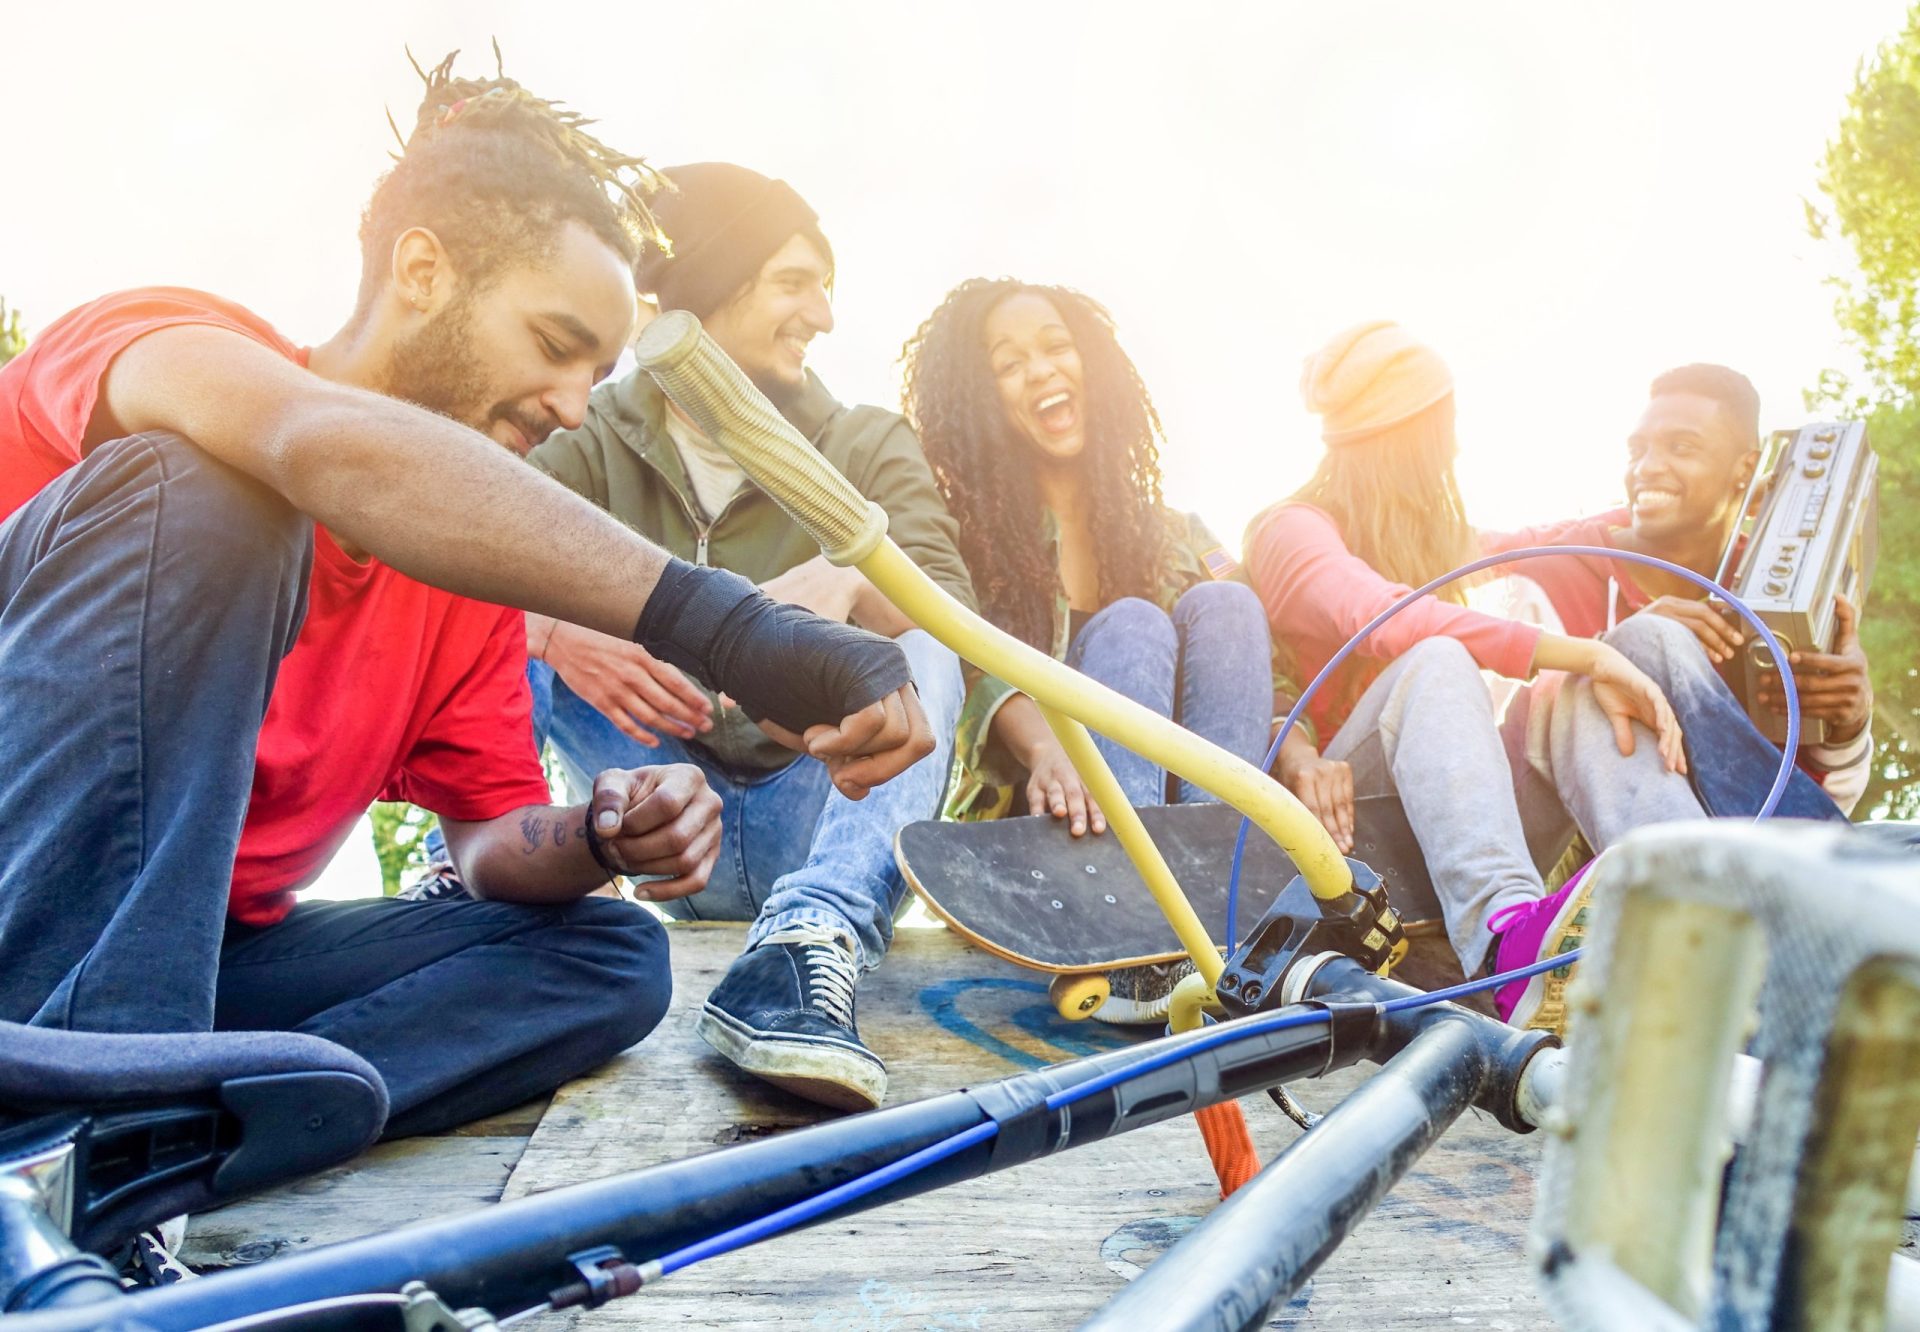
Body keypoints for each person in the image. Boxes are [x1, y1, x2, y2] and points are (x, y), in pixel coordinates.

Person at [0, 58, 932, 1144]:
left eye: (599, 370)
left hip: (209, 963)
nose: (576, 407)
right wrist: (732, 626)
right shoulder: (167, 338)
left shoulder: (461, 579)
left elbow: (488, 844)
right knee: (210, 493)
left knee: (609, 957)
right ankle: (69, 1116)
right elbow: (314, 443)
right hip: (24, 927)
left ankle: (158, 1148)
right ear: (424, 270)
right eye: (554, 345)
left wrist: (598, 831)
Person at [523, 164, 972, 1112]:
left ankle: (810, 940)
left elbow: (949, 601)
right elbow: (457, 551)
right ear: (714, 283)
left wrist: (854, 574)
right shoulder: (587, 434)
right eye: (795, 281)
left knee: (922, 645)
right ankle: (486, 907)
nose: (824, 314)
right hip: (653, 803)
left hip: (818, 804)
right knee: (508, 629)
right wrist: (554, 626)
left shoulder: (862, 441)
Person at [1242, 321, 1695, 1030]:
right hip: (1345, 833)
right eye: (1443, 429)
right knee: (1438, 658)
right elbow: (1378, 616)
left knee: (1569, 697)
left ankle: (1693, 906)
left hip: (1442, 831)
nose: (1453, 449)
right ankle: (1508, 943)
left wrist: (1678, 513)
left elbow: (1540, 542)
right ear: (1405, 435)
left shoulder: (1428, 543)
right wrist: (1586, 649)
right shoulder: (1290, 531)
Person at [900, 278, 1275, 1022]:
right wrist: (1043, 746)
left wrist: (1296, 749)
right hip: (1053, 840)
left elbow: (1257, 675)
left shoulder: (1175, 532)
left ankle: (1227, 915)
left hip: (1184, 840)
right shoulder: (964, 534)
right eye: (1009, 364)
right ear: (981, 398)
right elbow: (961, 661)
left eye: (1055, 347)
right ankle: (1128, 938)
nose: (1040, 370)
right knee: (1133, 624)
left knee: (1230, 601)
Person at [1483, 364, 1875, 819]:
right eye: (1637, 450)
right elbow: (1498, 757)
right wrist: (1621, 650)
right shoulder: (1554, 575)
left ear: (1746, 470)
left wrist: (1848, 725)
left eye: (1681, 448)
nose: (1647, 468)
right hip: (1582, 862)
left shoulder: (1779, 597)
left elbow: (1828, 804)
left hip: (1759, 854)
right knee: (1643, 643)